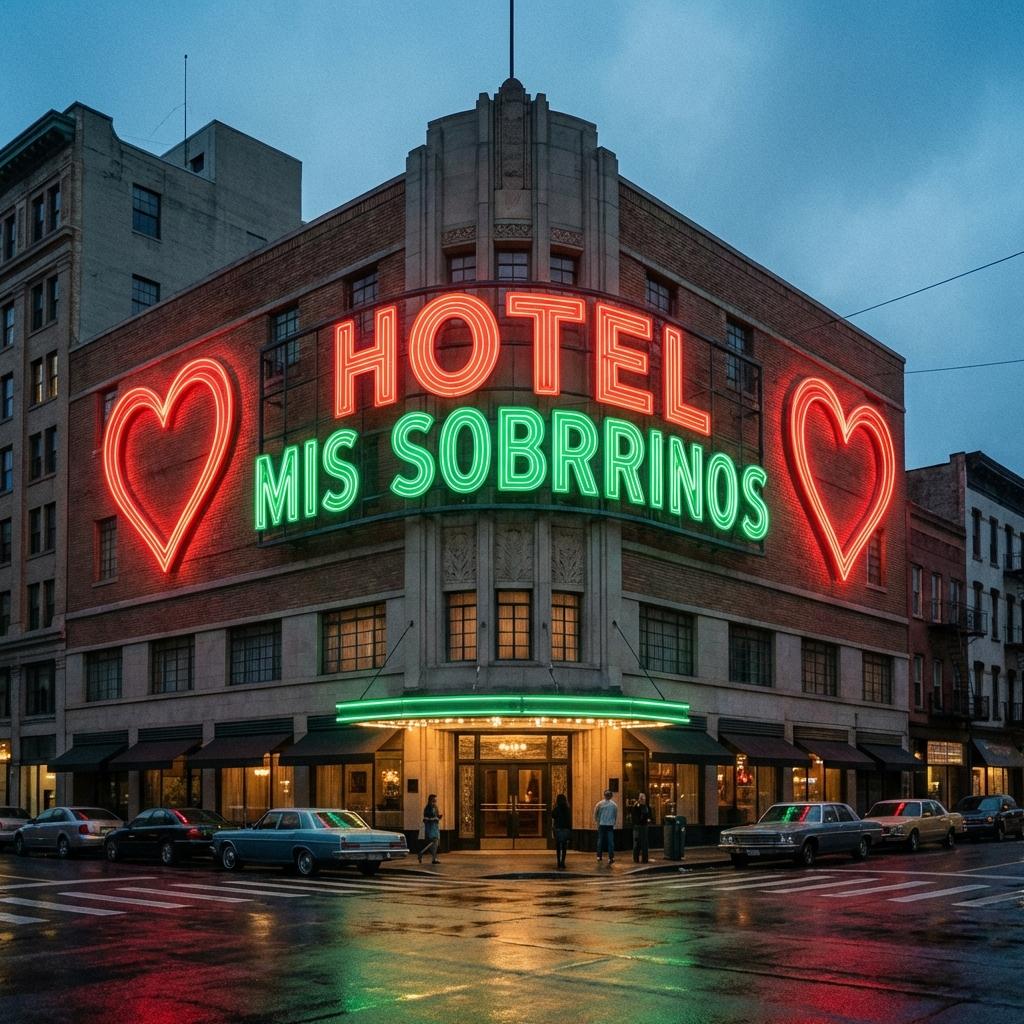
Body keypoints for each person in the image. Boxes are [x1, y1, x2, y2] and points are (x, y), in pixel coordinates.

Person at [593, 789, 618, 864]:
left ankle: (599, 856)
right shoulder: (614, 805)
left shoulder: (599, 804)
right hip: (610, 825)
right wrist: (614, 823)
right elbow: (615, 815)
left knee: (600, 840)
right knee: (610, 842)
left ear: (604, 795)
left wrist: (597, 821)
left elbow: (595, 813)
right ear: (611, 796)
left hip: (602, 824)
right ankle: (611, 857)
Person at [418, 793, 442, 864]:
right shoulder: (428, 808)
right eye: (434, 800)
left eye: (435, 801)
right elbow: (426, 819)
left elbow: (435, 816)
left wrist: (438, 817)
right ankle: (422, 853)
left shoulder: (435, 807)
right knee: (434, 841)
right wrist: (434, 819)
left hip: (435, 826)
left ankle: (432, 858)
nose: (435, 802)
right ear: (430, 800)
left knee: (435, 843)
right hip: (430, 827)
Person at [630, 792, 653, 863]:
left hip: (643, 826)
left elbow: (649, 815)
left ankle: (644, 859)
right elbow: (635, 816)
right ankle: (637, 859)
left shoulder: (646, 806)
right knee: (637, 843)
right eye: (641, 798)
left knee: (644, 843)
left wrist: (648, 819)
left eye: (643, 798)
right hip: (638, 826)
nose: (642, 799)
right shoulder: (637, 806)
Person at [552, 793, 572, 869]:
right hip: (565, 829)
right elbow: (569, 820)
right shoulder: (567, 809)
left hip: (558, 829)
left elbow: (552, 815)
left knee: (558, 846)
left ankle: (558, 862)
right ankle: (563, 862)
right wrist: (570, 829)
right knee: (564, 846)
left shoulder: (556, 809)